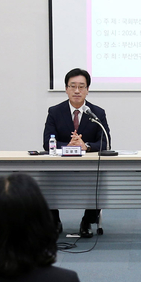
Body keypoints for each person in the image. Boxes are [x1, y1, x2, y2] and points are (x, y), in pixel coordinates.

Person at [42, 68, 110, 237]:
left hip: (89, 167)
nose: (77, 91)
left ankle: (87, 221)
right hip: (59, 167)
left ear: (87, 89)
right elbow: (46, 143)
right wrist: (69, 146)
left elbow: (105, 142)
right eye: (73, 86)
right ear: (66, 89)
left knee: (99, 182)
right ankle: (54, 221)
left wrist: (85, 146)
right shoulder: (54, 112)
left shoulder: (97, 113)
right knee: (44, 179)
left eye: (81, 86)